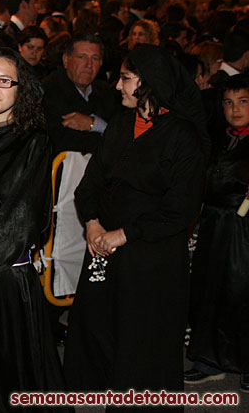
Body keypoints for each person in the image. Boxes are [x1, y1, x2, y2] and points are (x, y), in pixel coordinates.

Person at [64, 45, 207, 397]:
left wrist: (124, 235)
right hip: (105, 242)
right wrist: (94, 224)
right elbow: (90, 184)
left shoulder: (181, 135)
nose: (116, 86)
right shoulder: (121, 126)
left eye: (126, 78)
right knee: (99, 325)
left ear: (149, 83)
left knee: (143, 336)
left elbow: (182, 207)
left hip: (151, 253)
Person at [0, 47, 67, 412]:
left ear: (20, 88)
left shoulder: (34, 141)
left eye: (4, 81)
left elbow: (22, 216)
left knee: (7, 376)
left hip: (2, 272)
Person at [185, 74, 249, 392]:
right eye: (228, 102)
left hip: (244, 232)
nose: (234, 109)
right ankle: (207, 360)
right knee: (207, 291)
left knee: (241, 294)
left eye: (243, 101)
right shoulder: (218, 138)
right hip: (213, 226)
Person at [42, 34, 119, 155]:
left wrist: (93, 123)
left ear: (101, 64)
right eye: (82, 57)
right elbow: (60, 142)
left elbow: (120, 135)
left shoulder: (105, 91)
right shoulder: (48, 91)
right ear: (66, 60)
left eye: (95, 58)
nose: (89, 65)